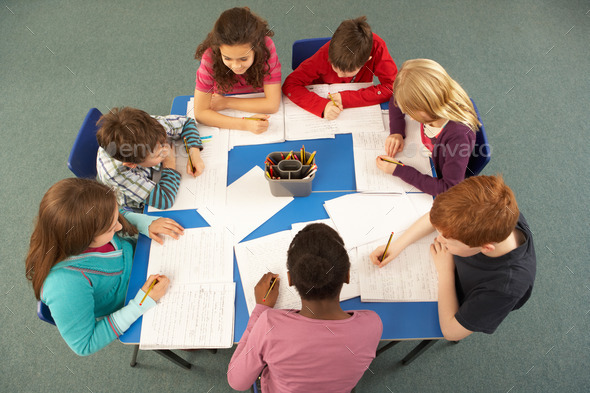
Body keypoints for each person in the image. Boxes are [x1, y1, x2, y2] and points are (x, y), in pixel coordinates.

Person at [25, 178, 184, 355]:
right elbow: (85, 344)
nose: (119, 226)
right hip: (132, 301)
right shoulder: (63, 286)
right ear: (83, 238)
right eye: (110, 228)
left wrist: (143, 222)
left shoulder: (83, 223)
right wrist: (141, 302)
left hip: (142, 263)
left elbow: (115, 214)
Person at [370, 176, 536, 341]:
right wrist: (397, 245)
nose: (439, 239)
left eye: (447, 241)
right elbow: (436, 220)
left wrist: (445, 271)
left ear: (485, 248)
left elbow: (451, 332)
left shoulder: (505, 288)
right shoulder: (492, 210)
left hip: (461, 295)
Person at [228, 223, 382, 392]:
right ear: (347, 275)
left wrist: (261, 309)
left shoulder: (268, 325)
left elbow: (237, 382)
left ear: (290, 279)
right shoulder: (372, 324)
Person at [377, 59, 480, 196]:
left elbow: (448, 188)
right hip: (426, 153)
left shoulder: (458, 136)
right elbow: (396, 99)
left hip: (436, 172)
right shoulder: (436, 103)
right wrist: (397, 132)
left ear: (428, 107)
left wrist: (400, 170)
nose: (411, 117)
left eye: (411, 112)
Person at [282, 16, 397, 120]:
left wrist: (347, 98)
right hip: (323, 96)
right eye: (335, 67)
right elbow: (290, 84)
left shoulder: (378, 48)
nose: (340, 75)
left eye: (348, 71)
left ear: (367, 60)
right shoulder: (325, 54)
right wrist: (322, 106)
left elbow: (392, 88)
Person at [96, 106, 204, 211]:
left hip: (153, 170)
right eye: (158, 155)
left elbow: (187, 122)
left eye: (163, 142)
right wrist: (170, 164)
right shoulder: (116, 173)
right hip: (135, 198)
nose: (166, 150)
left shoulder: (149, 127)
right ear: (131, 164)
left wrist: (194, 153)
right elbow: (164, 199)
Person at [193, 7, 282, 134]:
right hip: (225, 96)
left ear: (256, 48)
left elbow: (272, 105)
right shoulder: (210, 57)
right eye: (227, 58)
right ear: (219, 50)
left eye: (243, 58)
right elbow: (200, 113)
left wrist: (226, 102)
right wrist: (245, 124)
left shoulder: (266, 48)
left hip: (248, 97)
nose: (236, 66)